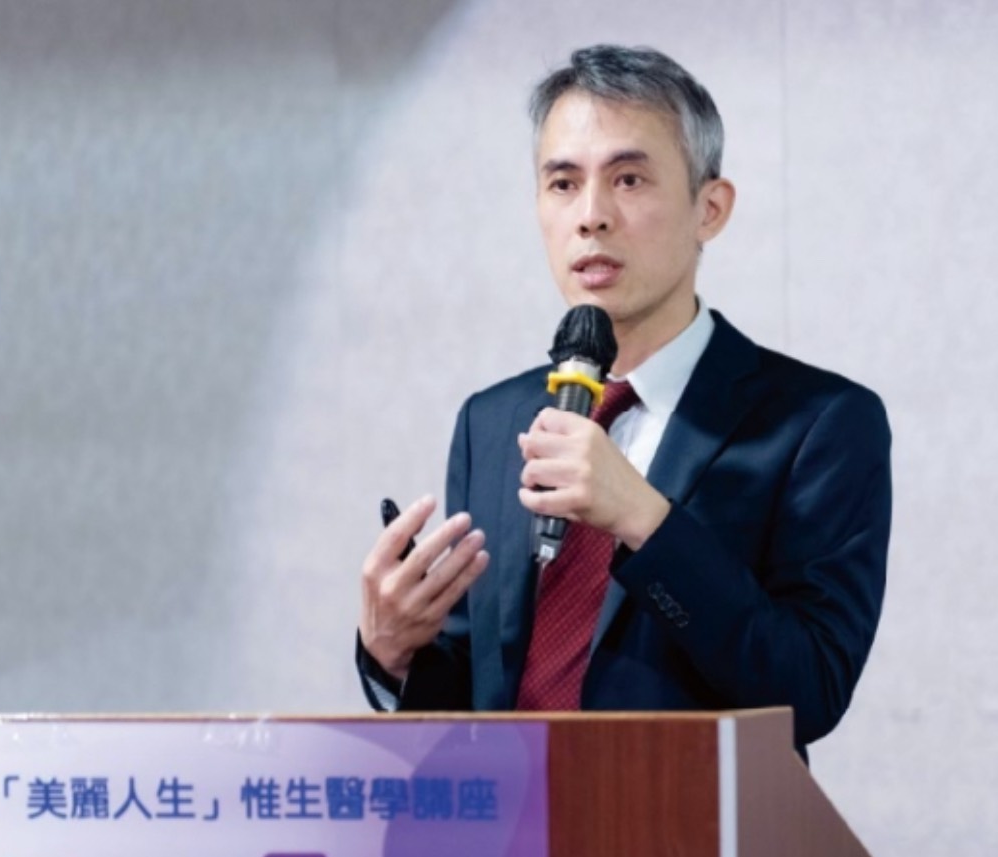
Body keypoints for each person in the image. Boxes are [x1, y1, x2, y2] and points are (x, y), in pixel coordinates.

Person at [355, 44, 891, 760]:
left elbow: (808, 691)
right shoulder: (492, 420)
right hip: (512, 812)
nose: (591, 216)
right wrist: (392, 652)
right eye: (562, 184)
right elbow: (479, 696)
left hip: (685, 813)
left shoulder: (817, 423)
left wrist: (644, 518)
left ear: (709, 208)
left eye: (628, 179)